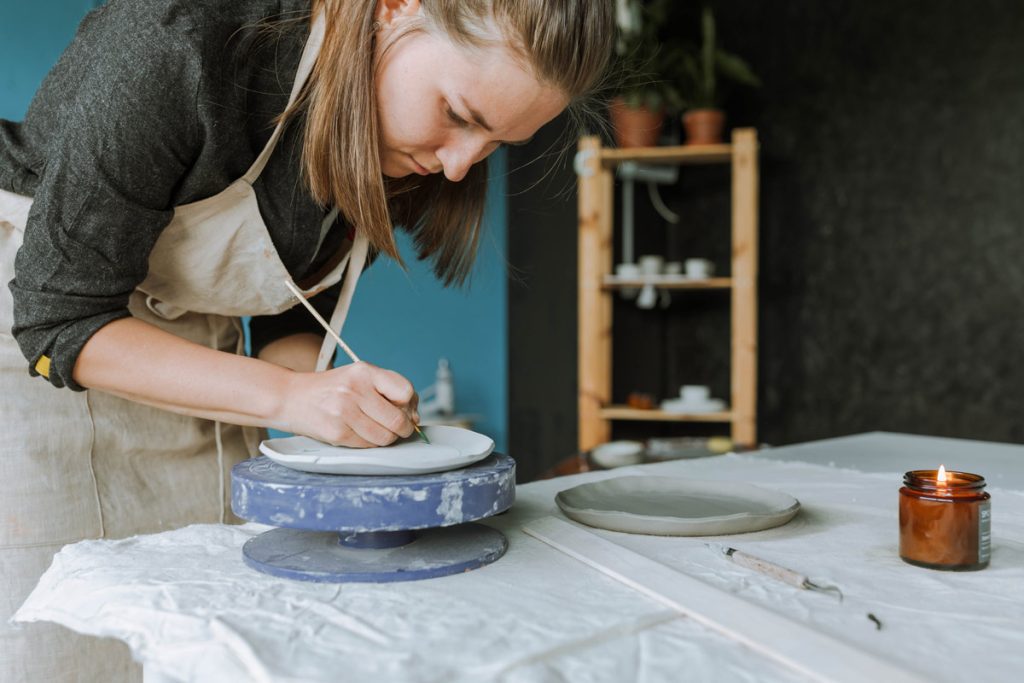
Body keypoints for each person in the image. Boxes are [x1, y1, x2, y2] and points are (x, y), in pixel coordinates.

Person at [0, 0, 613, 679]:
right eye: (460, 116)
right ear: (394, 8)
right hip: (33, 339)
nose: (462, 165)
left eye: (496, 143)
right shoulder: (179, 37)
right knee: (62, 644)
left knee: (209, 637)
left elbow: (290, 295)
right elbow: (58, 320)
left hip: (200, 357)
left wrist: (327, 408)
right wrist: (292, 397)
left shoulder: (398, 143)